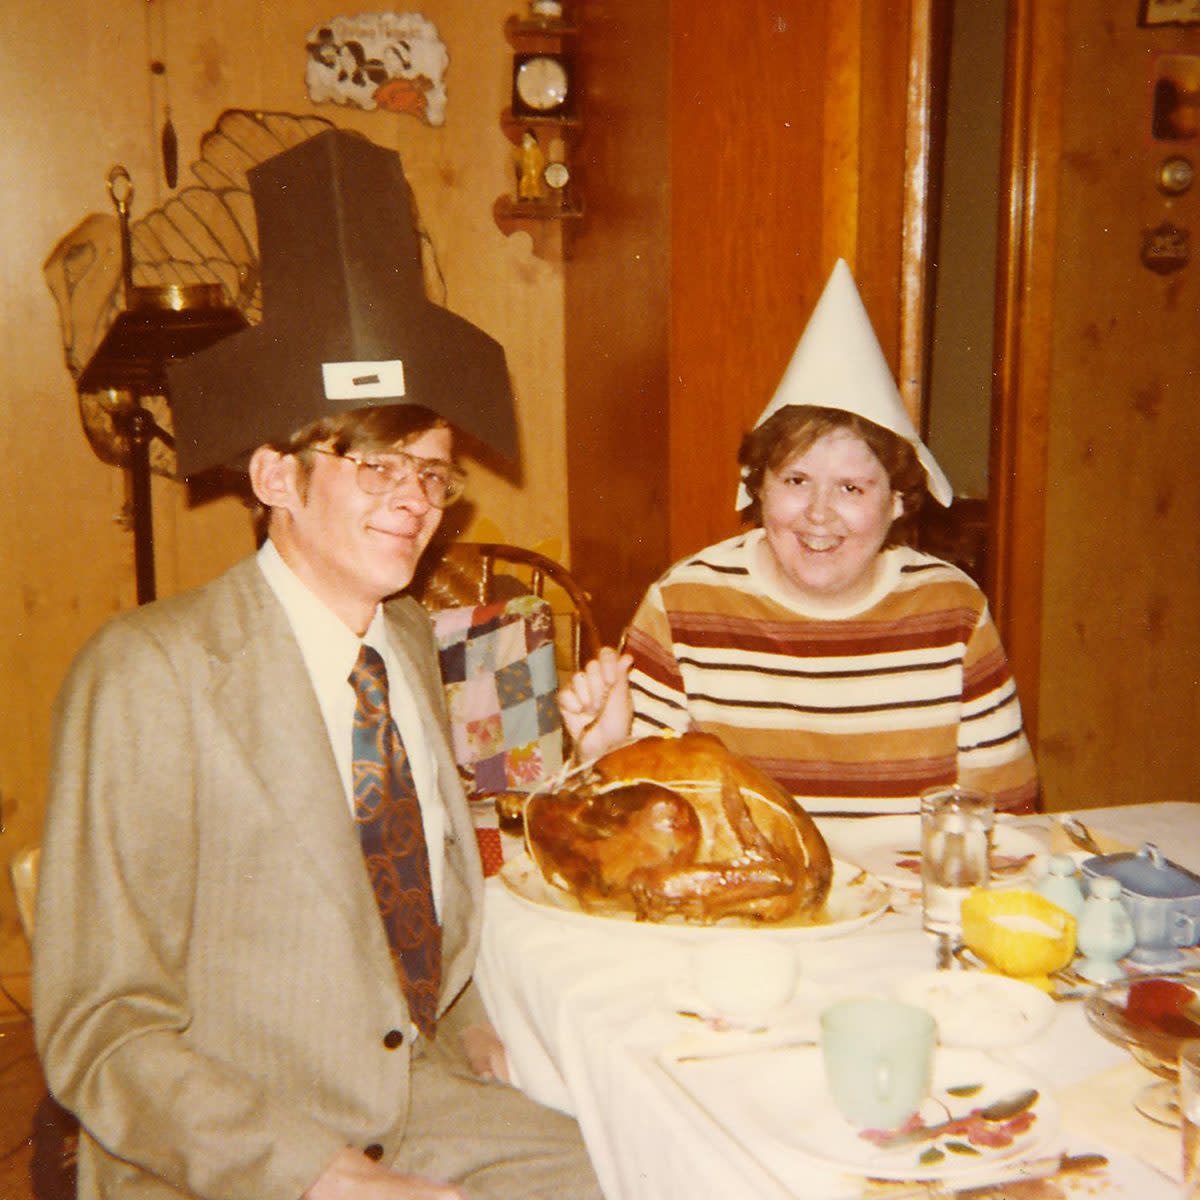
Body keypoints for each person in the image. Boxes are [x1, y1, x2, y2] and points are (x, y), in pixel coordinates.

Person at [33, 129, 601, 1200]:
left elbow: (416, 910)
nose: (412, 500)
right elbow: (103, 1030)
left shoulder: (410, 654)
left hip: (416, 1100)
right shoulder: (148, 676)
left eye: (432, 474)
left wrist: (473, 1027)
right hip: (230, 1150)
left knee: (648, 1168)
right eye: (372, 462)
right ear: (274, 477)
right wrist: (318, 1175)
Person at [560, 260, 1038, 815]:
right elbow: (630, 827)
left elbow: (1004, 823)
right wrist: (605, 755)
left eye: (852, 489)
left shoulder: (952, 610)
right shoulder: (684, 604)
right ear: (758, 488)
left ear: (899, 502)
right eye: (795, 480)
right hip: (737, 897)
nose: (818, 515)